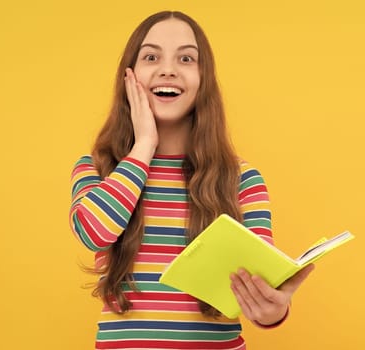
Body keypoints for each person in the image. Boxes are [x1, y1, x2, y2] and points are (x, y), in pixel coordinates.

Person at [69, 11, 314, 349]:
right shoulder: (97, 169)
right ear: (129, 77)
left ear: (204, 79)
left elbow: (257, 289)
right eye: (151, 56)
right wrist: (143, 147)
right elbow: (94, 232)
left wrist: (272, 309)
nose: (168, 69)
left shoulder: (242, 180)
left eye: (186, 58)